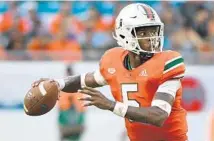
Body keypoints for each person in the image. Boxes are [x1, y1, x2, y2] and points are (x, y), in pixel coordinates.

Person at [32, 3, 188, 141]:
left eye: (153, 31)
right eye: (143, 33)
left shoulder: (167, 63)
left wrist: (111, 105)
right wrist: (57, 83)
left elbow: (159, 115)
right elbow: (84, 80)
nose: (151, 38)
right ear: (125, 34)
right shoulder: (114, 62)